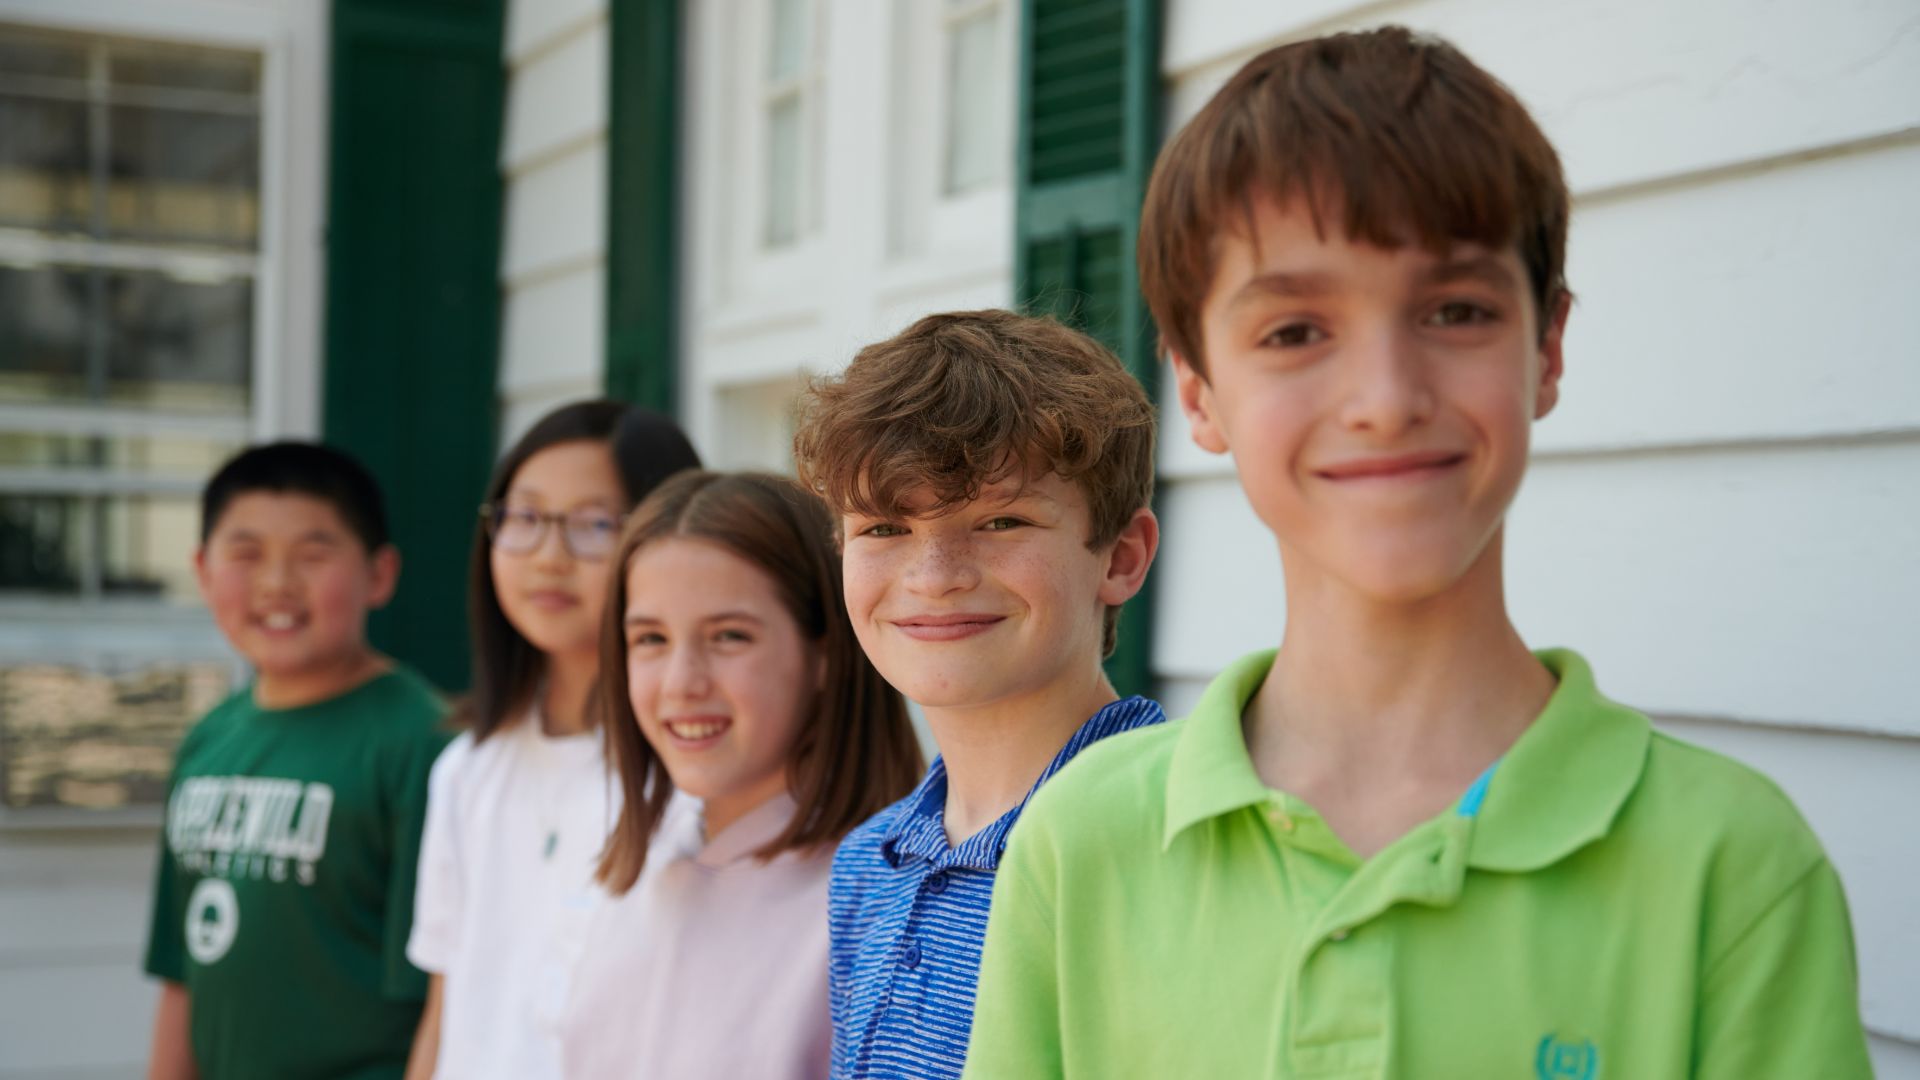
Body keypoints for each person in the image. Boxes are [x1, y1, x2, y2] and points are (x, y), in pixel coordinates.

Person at [962, 27, 1874, 1079]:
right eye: (1295, 331)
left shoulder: (1733, 868)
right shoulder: (1081, 842)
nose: (1388, 401)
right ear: (1200, 391)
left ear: (1547, 350)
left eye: (1456, 311)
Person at [789, 309, 1166, 1080]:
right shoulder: (869, 864)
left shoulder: (1170, 840)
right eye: (885, 529)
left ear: (1121, 557)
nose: (935, 576)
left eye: (1001, 520)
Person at [559, 470, 922, 1079]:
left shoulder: (871, 916)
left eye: (729, 636)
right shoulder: (636, 880)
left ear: (826, 655)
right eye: (650, 638)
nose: (681, 683)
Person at [402, 401, 700, 1078]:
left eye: (595, 525)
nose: (549, 557)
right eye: (525, 518)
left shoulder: (697, 774)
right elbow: (445, 1018)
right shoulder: (466, 768)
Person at [144, 442, 450, 1079]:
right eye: (246, 554)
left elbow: (445, 999)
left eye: (313, 555)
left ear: (380, 574)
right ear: (202, 571)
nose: (277, 584)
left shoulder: (425, 743)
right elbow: (183, 975)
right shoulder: (208, 740)